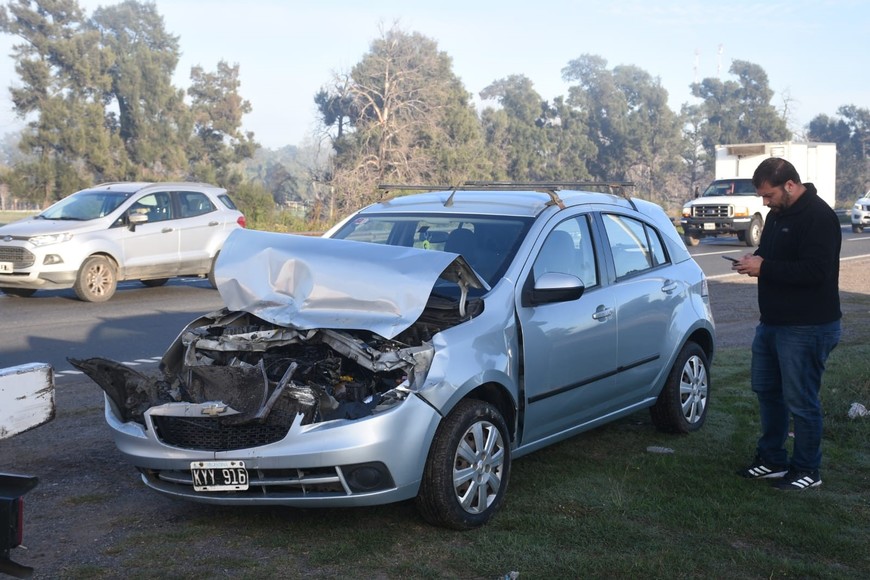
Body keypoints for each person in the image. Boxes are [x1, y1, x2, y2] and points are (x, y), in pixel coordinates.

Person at [732, 157, 841, 490]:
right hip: (772, 323)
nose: (765, 203)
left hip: (807, 326)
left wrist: (765, 268)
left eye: (768, 195)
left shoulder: (819, 217)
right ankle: (772, 459)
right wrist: (752, 262)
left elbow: (815, 272)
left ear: (790, 185)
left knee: (802, 400)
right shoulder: (777, 216)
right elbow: (770, 256)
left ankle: (808, 469)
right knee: (768, 392)